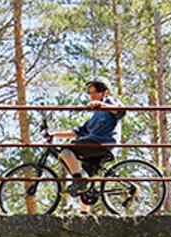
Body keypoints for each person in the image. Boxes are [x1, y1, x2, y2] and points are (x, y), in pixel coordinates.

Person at [53, 79, 124, 211]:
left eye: (95, 93)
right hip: (93, 145)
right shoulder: (94, 117)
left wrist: (102, 104)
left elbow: (119, 111)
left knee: (67, 150)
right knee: (79, 172)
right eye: (90, 93)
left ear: (105, 92)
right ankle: (84, 211)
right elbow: (77, 131)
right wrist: (54, 135)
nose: (92, 96)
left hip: (103, 144)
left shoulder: (110, 101)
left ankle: (79, 182)